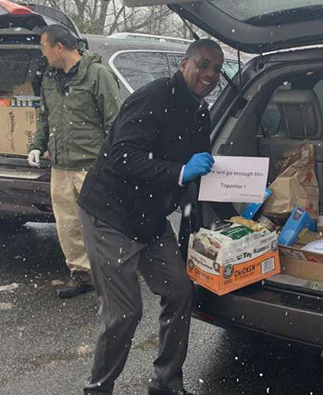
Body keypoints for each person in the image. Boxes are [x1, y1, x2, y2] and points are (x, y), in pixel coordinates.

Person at [76, 38, 224, 395]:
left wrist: (240, 192)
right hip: (111, 214)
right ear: (184, 64)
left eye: (216, 69)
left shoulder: (200, 111)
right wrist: (179, 171)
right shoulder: (153, 97)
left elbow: (198, 167)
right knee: (124, 313)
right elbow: (123, 156)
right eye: (203, 64)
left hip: (151, 218)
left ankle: (166, 382)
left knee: (179, 292)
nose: (209, 74)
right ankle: (98, 389)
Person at [28, 24, 122, 298]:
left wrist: (110, 165)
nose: (42, 53)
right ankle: (83, 276)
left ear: (59, 47)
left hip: (92, 167)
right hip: (61, 167)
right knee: (68, 226)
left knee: (102, 226)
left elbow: (115, 123)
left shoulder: (97, 75)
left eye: (44, 46)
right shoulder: (49, 79)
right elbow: (45, 116)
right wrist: (37, 145)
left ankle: (113, 279)